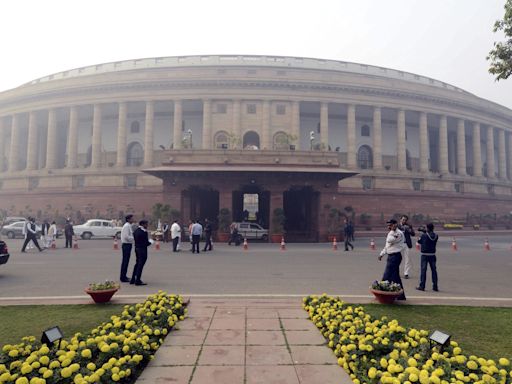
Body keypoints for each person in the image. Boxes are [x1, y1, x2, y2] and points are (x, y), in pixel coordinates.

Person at [378, 218, 406, 300]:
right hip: (391, 256)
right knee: (395, 277)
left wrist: (391, 234)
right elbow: (387, 246)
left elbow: (390, 240)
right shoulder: (391, 232)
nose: (389, 226)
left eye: (391, 224)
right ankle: (400, 296)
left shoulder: (399, 233)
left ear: (395, 224)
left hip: (395, 256)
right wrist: (382, 254)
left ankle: (382, 295)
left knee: (387, 276)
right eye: (388, 225)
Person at [416, 223, 439, 292]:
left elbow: (419, 241)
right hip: (432, 255)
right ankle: (435, 286)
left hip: (424, 255)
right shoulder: (436, 236)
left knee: (423, 271)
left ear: (427, 228)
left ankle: (422, 286)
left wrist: (423, 233)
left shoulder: (424, 235)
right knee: (434, 271)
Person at [131, 219, 152, 286]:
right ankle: (138, 280)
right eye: (146, 224)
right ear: (143, 224)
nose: (147, 225)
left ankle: (133, 279)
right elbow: (145, 243)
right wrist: (151, 242)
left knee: (137, 264)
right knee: (140, 265)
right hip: (142, 250)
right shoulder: (144, 232)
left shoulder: (136, 231)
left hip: (137, 248)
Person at [120, 215, 135, 283]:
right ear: (128, 219)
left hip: (128, 245)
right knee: (125, 262)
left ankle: (124, 276)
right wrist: (134, 238)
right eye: (132, 219)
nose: (133, 220)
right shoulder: (127, 226)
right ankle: (123, 277)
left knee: (126, 261)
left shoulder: (128, 226)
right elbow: (126, 237)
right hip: (126, 245)